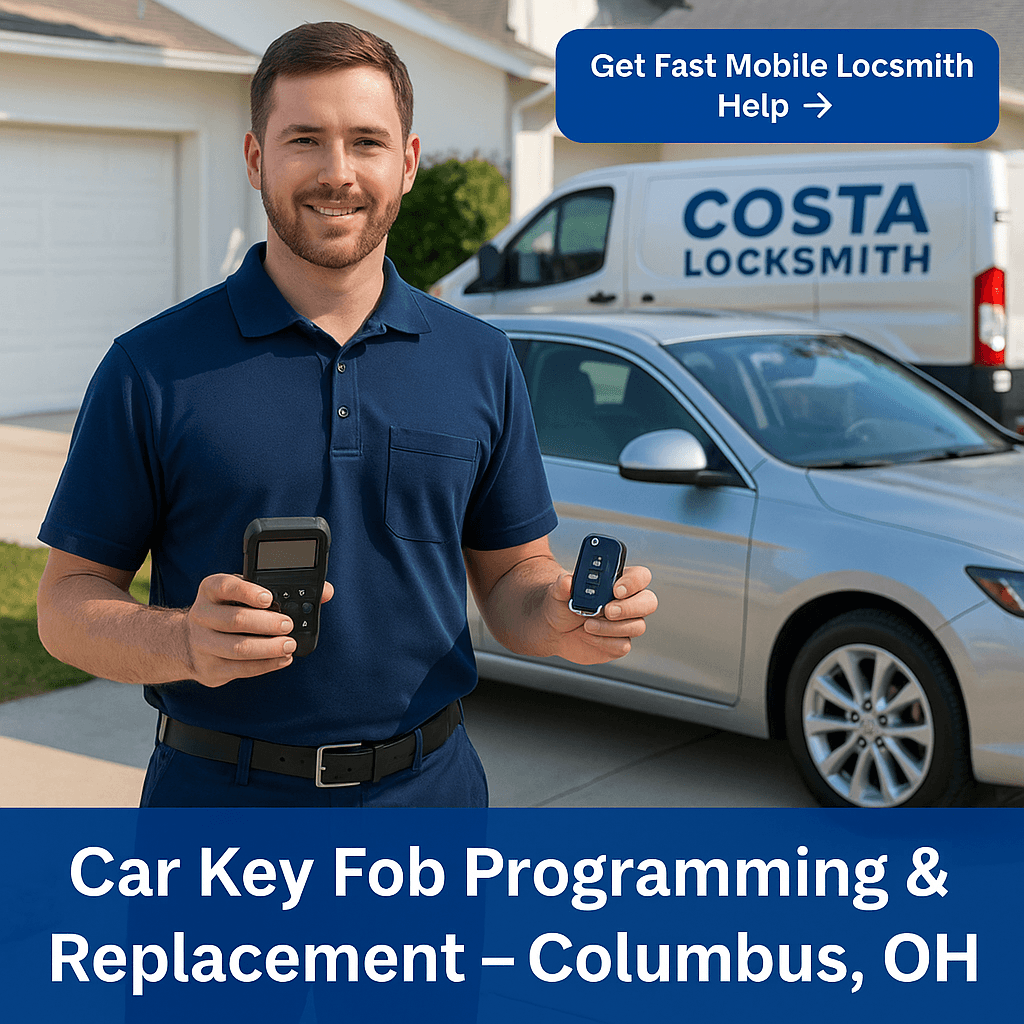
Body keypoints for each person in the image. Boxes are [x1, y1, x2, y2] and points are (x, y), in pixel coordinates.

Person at [35, 21, 657, 808]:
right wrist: (184, 641)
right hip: (221, 816)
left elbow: (512, 584)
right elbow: (65, 605)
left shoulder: (479, 359)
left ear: (408, 162)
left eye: (367, 142)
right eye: (305, 140)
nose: (339, 174)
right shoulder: (153, 366)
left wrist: (561, 616)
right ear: (258, 159)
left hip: (431, 809)